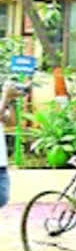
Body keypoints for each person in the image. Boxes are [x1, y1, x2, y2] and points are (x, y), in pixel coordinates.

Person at [0, 81, 24, 209]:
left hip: (1, 164)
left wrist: (12, 101)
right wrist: (5, 96)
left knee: (2, 198)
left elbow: (12, 122)